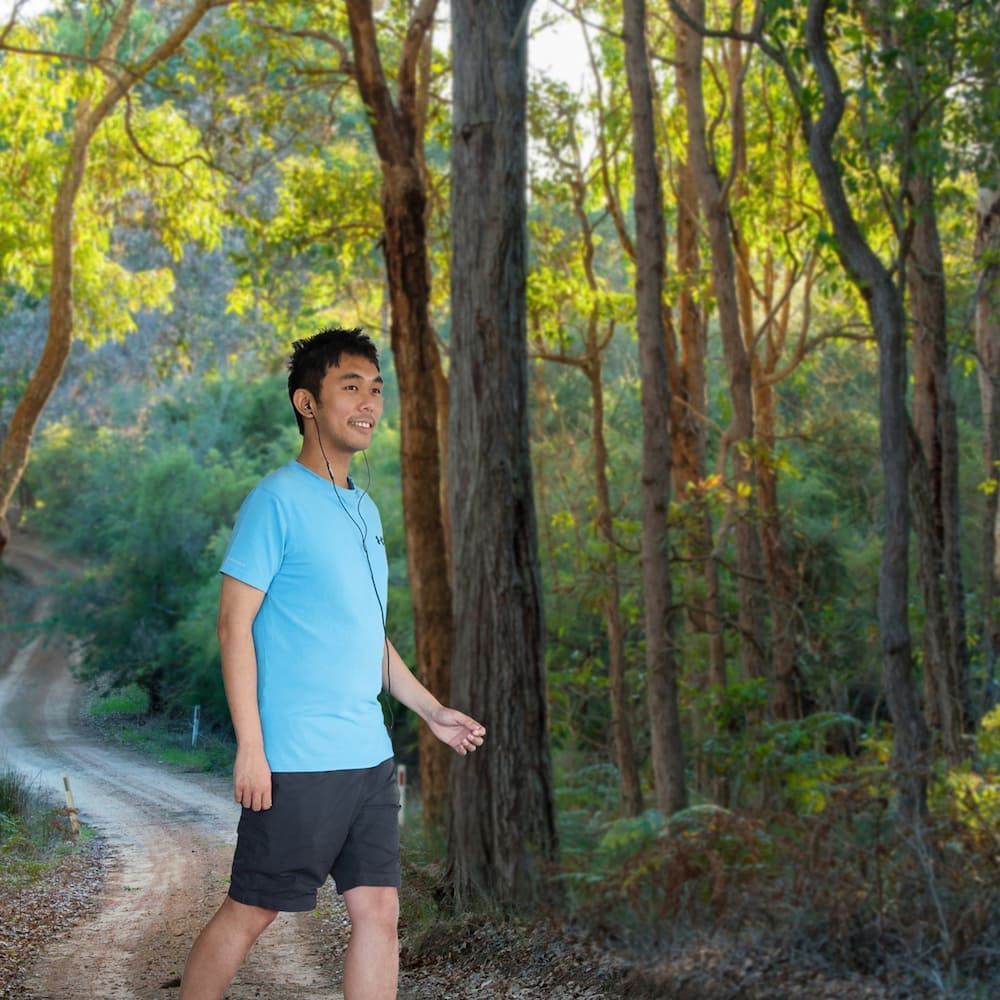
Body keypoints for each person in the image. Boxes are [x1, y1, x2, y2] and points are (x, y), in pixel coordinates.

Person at [179, 327, 485, 1000]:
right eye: (351, 387)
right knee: (251, 910)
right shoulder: (276, 501)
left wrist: (431, 710)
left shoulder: (365, 510)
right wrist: (250, 748)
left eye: (376, 388)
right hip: (296, 759)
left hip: (368, 758)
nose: (370, 402)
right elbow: (234, 624)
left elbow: (367, 638)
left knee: (379, 913)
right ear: (307, 402)